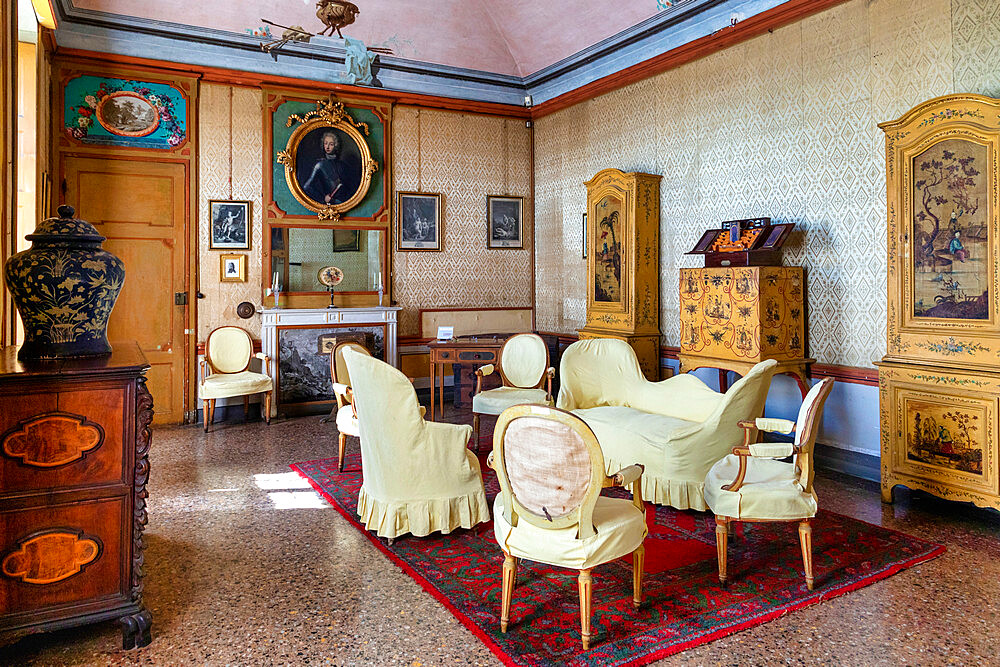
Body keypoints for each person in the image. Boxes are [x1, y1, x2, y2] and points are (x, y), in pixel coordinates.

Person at [302, 130, 352, 205]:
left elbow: (349, 187)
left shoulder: (343, 165)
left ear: (336, 145)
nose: (327, 147)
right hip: (330, 205)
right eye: (325, 143)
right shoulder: (320, 165)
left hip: (345, 203)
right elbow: (307, 187)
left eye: (331, 144)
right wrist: (323, 198)